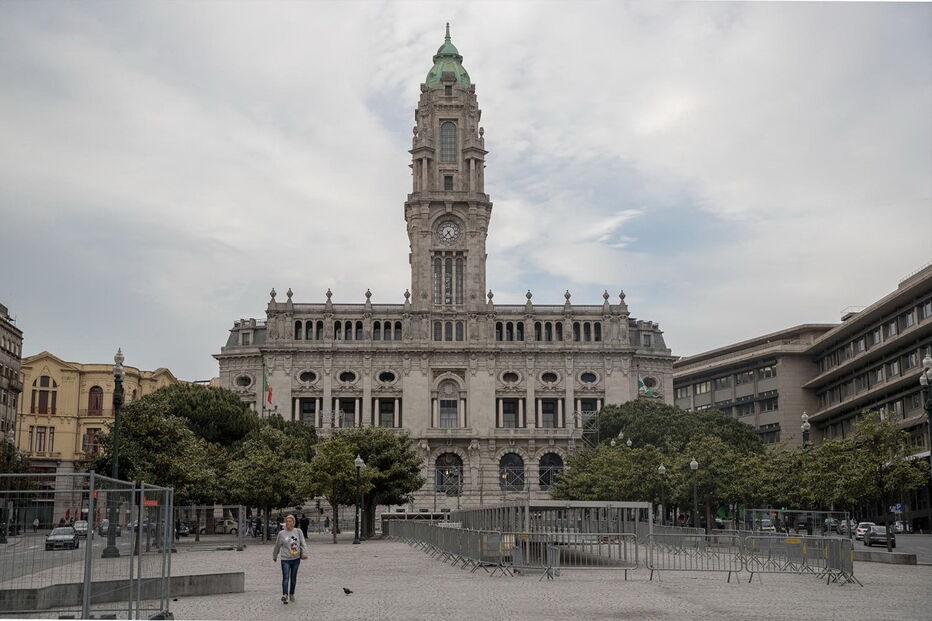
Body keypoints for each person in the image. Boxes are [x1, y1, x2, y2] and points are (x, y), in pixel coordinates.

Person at [272, 514, 307, 605]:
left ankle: (291, 593)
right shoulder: (281, 533)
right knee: (286, 577)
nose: (288, 523)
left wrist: (304, 553)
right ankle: (285, 595)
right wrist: (275, 555)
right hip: (285, 559)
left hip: (296, 559)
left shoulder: (298, 532)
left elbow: (303, 543)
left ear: (294, 523)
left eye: (290, 521)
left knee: (293, 578)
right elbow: (277, 545)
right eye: (287, 521)